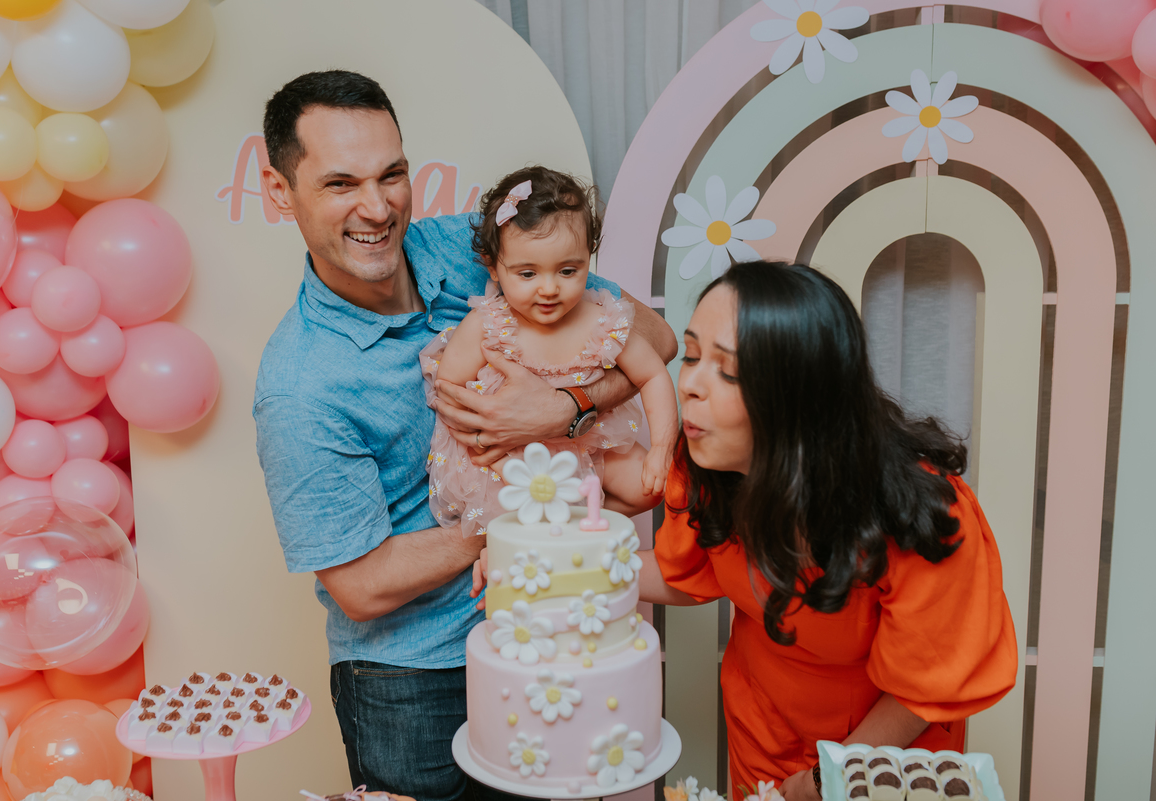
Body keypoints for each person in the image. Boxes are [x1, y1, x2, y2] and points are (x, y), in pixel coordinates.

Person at [252, 70, 676, 801]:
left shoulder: (466, 246)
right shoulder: (300, 383)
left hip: (547, 645)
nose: (377, 207)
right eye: (340, 183)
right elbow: (360, 584)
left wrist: (563, 409)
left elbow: (653, 335)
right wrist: (540, 513)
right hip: (412, 683)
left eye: (392, 174)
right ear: (279, 191)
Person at [637, 262, 1017, 800]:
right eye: (693, 357)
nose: (690, 386)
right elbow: (688, 572)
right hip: (762, 730)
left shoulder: (921, 513)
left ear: (801, 394)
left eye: (729, 371)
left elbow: (927, 684)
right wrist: (559, 568)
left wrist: (825, 778)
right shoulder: (707, 465)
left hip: (883, 756)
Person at [421, 166, 678, 535]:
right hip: (507, 456)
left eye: (567, 271)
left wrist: (661, 450)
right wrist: (491, 453)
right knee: (513, 520)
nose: (549, 289)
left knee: (648, 487)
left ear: (588, 261)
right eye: (528, 274)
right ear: (494, 269)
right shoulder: (488, 325)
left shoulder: (602, 322)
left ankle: (581, 521)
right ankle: (532, 538)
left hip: (586, 442)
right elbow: (449, 391)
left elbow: (652, 374)